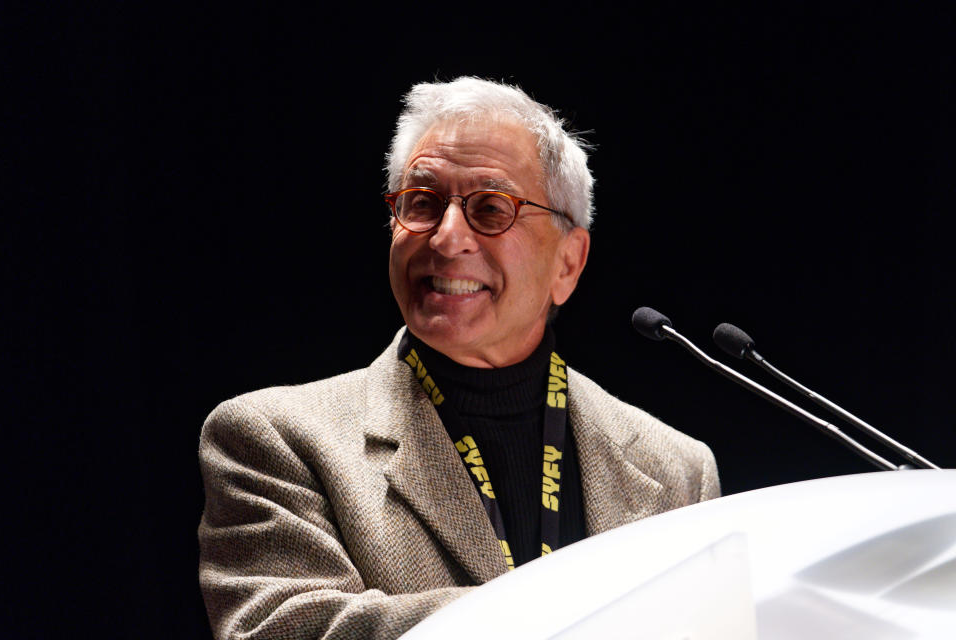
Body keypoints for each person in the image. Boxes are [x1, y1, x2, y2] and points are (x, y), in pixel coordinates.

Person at [198, 77, 720, 640]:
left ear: (568, 264)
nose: (447, 239)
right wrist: (569, 608)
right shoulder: (276, 440)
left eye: (491, 209)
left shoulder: (678, 472)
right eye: (421, 204)